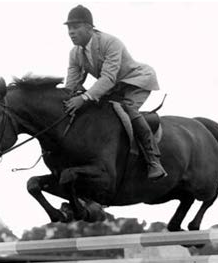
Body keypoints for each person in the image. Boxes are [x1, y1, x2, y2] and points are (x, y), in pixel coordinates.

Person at [63, 5, 168, 180]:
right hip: (114, 86)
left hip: (136, 81)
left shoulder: (110, 42)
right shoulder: (75, 53)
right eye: (69, 28)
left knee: (127, 109)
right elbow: (71, 84)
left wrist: (84, 97)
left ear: (89, 28)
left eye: (76, 27)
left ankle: (153, 161)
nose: (71, 32)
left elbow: (108, 78)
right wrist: (69, 98)